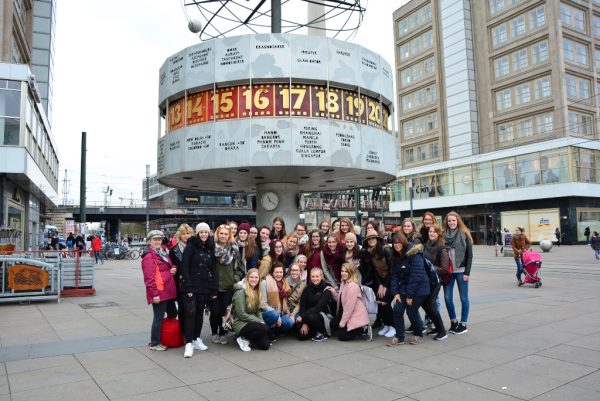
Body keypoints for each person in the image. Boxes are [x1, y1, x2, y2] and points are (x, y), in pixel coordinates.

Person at [180, 222, 217, 358]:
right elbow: (184, 267)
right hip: (191, 286)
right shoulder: (191, 246)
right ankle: (188, 343)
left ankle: (196, 338)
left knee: (200, 313)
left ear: (209, 233)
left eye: (206, 232)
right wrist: (188, 286)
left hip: (205, 286)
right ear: (197, 233)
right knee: (190, 313)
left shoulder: (210, 247)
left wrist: (214, 288)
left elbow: (214, 268)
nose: (204, 234)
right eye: (201, 232)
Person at [388, 232, 430, 345]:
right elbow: (394, 276)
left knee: (411, 311)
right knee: (397, 309)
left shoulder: (415, 254)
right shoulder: (395, 255)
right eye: (394, 243)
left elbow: (416, 277)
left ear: (404, 242)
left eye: (399, 243)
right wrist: (396, 293)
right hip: (404, 288)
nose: (397, 245)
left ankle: (419, 334)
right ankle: (399, 337)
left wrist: (409, 296)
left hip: (419, 288)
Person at [141, 230, 177, 351]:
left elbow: (168, 266)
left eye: (159, 239)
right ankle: (155, 343)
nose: (157, 241)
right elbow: (149, 278)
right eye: (155, 239)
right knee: (158, 317)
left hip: (167, 289)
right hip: (159, 291)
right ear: (149, 241)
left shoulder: (162, 251)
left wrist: (172, 268)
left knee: (173, 313)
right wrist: (154, 294)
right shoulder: (148, 256)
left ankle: (166, 335)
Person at [211, 224, 244, 345]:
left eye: (226, 234)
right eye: (221, 233)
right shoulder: (211, 247)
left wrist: (234, 279)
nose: (223, 236)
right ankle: (214, 332)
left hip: (228, 286)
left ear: (229, 235)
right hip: (214, 286)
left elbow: (240, 268)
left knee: (225, 311)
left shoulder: (234, 248)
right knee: (215, 312)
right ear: (217, 234)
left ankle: (222, 333)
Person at [360, 228, 394, 338]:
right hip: (381, 281)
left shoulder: (386, 250)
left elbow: (392, 269)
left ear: (378, 239)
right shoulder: (370, 252)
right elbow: (375, 270)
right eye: (369, 239)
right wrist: (380, 284)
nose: (371, 241)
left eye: (373, 238)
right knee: (379, 302)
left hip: (391, 280)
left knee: (385, 302)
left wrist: (385, 285)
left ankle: (393, 326)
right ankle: (387, 324)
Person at [443, 211, 473, 335]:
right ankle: (454, 321)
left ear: (457, 221)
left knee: (464, 298)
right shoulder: (443, 235)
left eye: (453, 220)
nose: (451, 222)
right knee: (447, 298)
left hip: (461, 271)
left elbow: (470, 256)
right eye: (449, 220)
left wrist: (467, 273)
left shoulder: (464, 233)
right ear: (447, 222)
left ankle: (463, 323)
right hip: (448, 272)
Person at [328, 263, 370, 341]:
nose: (343, 273)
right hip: (346, 314)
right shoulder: (344, 283)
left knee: (342, 336)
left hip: (354, 316)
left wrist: (343, 322)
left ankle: (361, 330)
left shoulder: (353, 286)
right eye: (342, 271)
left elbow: (349, 308)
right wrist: (334, 292)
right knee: (332, 324)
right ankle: (351, 329)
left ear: (351, 273)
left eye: (346, 271)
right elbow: (341, 300)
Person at [231, 268, 270, 351]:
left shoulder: (256, 291)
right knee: (265, 328)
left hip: (252, 321)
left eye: (256, 277)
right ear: (247, 278)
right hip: (241, 323)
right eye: (251, 277)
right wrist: (258, 321)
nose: (254, 279)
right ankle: (242, 338)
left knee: (265, 346)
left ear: (259, 279)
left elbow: (258, 310)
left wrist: (261, 320)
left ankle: (250, 338)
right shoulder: (240, 292)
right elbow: (241, 314)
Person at [422, 224, 449, 340]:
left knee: (430, 305)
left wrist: (430, 267)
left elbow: (445, 269)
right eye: (430, 231)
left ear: (438, 234)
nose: (431, 234)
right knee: (426, 305)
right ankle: (437, 327)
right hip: (426, 280)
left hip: (436, 281)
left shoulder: (442, 248)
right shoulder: (426, 245)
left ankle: (442, 331)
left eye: (434, 232)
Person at [295, 267, 336, 341]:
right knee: (301, 336)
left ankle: (322, 332)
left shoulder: (327, 288)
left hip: (321, 315)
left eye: (317, 276)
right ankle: (314, 331)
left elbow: (319, 307)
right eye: (313, 276)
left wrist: (303, 316)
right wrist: (304, 322)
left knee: (311, 316)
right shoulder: (307, 288)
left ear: (321, 276)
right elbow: (303, 305)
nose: (315, 278)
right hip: (307, 316)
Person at [168, 224, 194, 325]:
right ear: (180, 235)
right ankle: (182, 329)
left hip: (193, 282)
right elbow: (170, 265)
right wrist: (173, 269)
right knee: (182, 309)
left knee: (192, 309)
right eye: (183, 234)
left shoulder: (195, 248)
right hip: (180, 284)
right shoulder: (173, 250)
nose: (186, 236)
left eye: (188, 233)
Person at [260, 263, 294, 337]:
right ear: (272, 272)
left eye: (281, 272)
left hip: (280, 312)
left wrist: (288, 313)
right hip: (268, 313)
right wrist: (277, 315)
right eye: (276, 272)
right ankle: (266, 331)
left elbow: (285, 301)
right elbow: (263, 304)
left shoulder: (284, 283)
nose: (279, 274)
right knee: (274, 315)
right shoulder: (264, 282)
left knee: (289, 322)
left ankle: (273, 331)